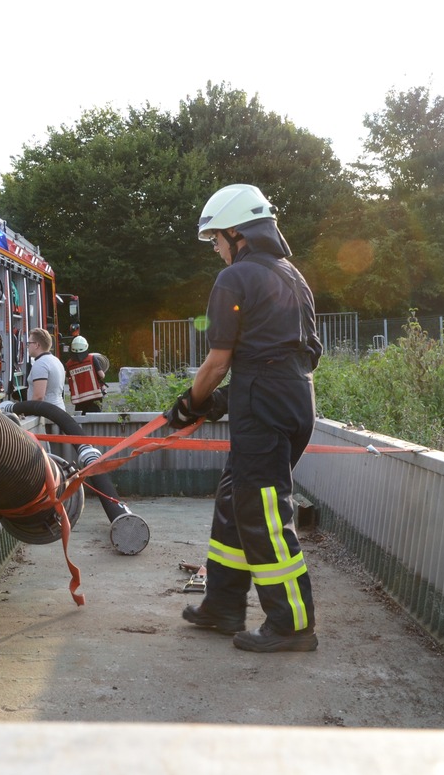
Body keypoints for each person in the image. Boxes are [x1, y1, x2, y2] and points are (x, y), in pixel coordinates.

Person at [166, 183, 323, 653]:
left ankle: (293, 625)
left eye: (216, 239)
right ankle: (223, 605)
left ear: (237, 233)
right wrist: (232, 398)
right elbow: (300, 357)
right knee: (237, 501)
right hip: (293, 401)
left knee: (263, 514)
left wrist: (191, 403)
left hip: (263, 409)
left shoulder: (234, 279)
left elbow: (217, 362)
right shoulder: (292, 276)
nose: (215, 249)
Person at [64, 335, 108, 412]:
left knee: (81, 420)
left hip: (79, 400)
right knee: (94, 421)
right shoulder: (92, 359)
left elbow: (68, 380)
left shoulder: (69, 364)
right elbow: (101, 375)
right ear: (86, 347)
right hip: (95, 397)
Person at [26, 328, 66, 409]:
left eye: (29, 343)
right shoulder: (55, 360)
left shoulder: (41, 364)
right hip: (58, 410)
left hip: (47, 416)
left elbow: (38, 396)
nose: (28, 346)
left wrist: (28, 412)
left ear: (37, 345)